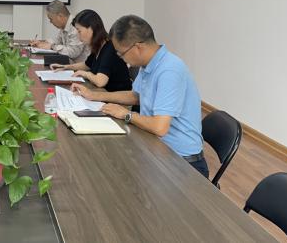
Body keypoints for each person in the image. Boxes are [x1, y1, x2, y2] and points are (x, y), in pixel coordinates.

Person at [71, 15, 209, 178]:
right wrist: (94, 95)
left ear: (137, 47)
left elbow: (160, 127)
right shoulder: (149, 63)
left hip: (182, 162)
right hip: (156, 146)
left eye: (121, 53)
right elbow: (136, 96)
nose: (121, 58)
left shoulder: (169, 71)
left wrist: (126, 114)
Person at [51, 9, 131, 92]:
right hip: (103, 92)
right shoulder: (99, 45)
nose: (78, 35)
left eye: (79, 31)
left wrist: (85, 74)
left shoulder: (109, 48)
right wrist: (66, 67)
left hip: (116, 96)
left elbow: (100, 82)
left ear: (91, 29)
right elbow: (87, 65)